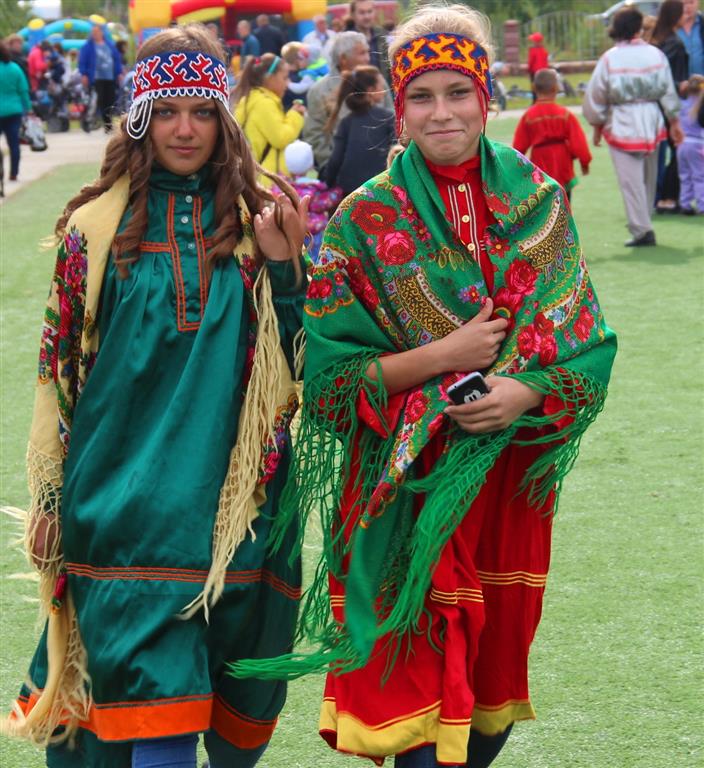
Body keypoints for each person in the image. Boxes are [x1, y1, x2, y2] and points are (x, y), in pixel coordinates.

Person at [230, 5, 617, 767]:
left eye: (457, 91)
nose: (442, 112)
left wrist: (527, 394)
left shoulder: (540, 202)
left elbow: (588, 344)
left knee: (490, 711)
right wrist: (445, 356)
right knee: (414, 723)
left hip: (504, 488)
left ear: (485, 96)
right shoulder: (362, 220)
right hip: (399, 496)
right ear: (399, 111)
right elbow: (331, 382)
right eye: (422, 97)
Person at [3, 22, 308, 768]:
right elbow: (60, 375)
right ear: (139, 115)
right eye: (166, 109)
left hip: (241, 506)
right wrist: (47, 500)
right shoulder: (94, 226)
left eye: (201, 111)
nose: (184, 128)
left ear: (223, 118)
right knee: (149, 713)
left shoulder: (262, 216)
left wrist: (286, 270)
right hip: (124, 507)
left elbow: (303, 363)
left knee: (232, 701)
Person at [583, 6, 683, 246]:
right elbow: (668, 90)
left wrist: (597, 123)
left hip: (623, 120)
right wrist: (674, 121)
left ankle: (642, 229)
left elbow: (596, 94)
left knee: (631, 181)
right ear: (639, 28)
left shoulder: (610, 58)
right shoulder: (655, 55)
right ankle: (644, 221)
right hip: (651, 118)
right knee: (649, 177)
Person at [512, 68, 591, 203]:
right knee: (565, 202)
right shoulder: (565, 114)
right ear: (555, 88)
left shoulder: (528, 116)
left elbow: (518, 147)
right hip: (562, 164)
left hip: (540, 162)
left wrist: (517, 170)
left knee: (544, 204)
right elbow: (579, 143)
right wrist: (585, 162)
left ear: (534, 88)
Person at [322, 65, 395, 196]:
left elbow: (335, 159)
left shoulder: (346, 122)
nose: (384, 91)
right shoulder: (388, 118)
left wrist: (328, 184)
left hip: (350, 192)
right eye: (381, 87)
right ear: (371, 91)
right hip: (382, 187)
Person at [302, 31, 370, 169]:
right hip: (341, 175)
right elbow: (314, 135)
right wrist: (331, 167)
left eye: (367, 52)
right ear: (343, 59)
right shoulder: (319, 91)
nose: (368, 58)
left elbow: (391, 120)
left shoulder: (376, 83)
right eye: (362, 53)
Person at [233, 53, 306, 183]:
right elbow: (280, 138)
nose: (287, 83)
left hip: (258, 179)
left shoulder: (253, 99)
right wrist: (295, 115)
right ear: (269, 78)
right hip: (267, 182)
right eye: (284, 78)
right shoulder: (264, 103)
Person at [652, 0, 690, 213]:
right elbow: (671, 80)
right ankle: (668, 196)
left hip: (653, 105)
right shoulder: (675, 43)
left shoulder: (656, 40)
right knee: (678, 149)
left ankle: (657, 196)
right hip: (671, 102)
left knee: (658, 153)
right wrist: (684, 85)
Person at [281, 139, 342, 261]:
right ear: (310, 164)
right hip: (316, 232)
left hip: (292, 231)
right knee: (317, 259)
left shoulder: (283, 189)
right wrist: (339, 190)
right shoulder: (314, 189)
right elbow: (326, 201)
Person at [78, 23, 124, 133]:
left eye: (97, 32)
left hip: (110, 77)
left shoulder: (109, 45)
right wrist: (84, 74)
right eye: (93, 32)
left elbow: (117, 60)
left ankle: (108, 122)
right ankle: (105, 124)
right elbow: (82, 61)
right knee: (100, 101)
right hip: (96, 78)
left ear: (102, 33)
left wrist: (119, 73)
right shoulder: (87, 47)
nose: (95, 34)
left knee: (110, 100)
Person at [0, 40, 31, 182]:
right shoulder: (15, 68)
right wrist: (29, 108)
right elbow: (24, 90)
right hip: (14, 110)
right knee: (14, 144)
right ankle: (14, 173)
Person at [677, 74, 704, 213]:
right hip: (697, 143)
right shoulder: (700, 107)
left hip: (681, 144)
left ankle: (685, 203)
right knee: (700, 176)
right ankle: (702, 204)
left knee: (685, 175)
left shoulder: (682, 104)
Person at [349, 0, 390, 82]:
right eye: (362, 13)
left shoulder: (383, 36)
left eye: (369, 11)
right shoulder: (347, 40)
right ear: (353, 15)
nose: (367, 16)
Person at [677, 0, 704, 74]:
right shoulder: (671, 27)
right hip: (680, 82)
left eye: (691, 2)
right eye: (684, 3)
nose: (688, 6)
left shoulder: (702, 24)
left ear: (698, 2)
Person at [526, 31, 549, 102]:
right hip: (544, 72)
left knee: (534, 87)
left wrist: (528, 70)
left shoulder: (532, 50)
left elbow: (531, 62)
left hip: (534, 72)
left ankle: (535, 101)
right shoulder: (544, 50)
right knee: (543, 87)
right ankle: (543, 100)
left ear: (536, 42)